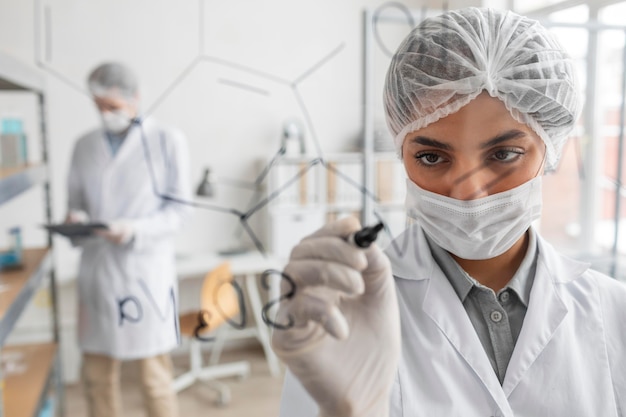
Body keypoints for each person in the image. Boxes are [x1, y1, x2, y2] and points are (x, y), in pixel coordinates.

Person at [272, 7, 626, 417]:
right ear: (401, 153)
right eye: (431, 157)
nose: (469, 190)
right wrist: (346, 410)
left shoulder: (613, 312)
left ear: (550, 147)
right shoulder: (343, 312)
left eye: (504, 153)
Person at [65, 62, 191, 417]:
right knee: (96, 379)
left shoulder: (167, 140)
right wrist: (75, 219)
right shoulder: (83, 145)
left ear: (135, 98)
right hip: (97, 273)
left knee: (154, 379)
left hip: (144, 274)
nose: (106, 114)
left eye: (113, 107)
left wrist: (134, 230)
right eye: (99, 106)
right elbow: (75, 202)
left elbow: (180, 212)